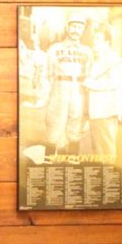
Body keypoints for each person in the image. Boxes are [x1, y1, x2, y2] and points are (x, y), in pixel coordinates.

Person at [43, 11, 93, 154]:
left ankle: (73, 159)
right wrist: (52, 89)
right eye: (73, 26)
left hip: (78, 89)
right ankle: (48, 159)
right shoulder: (55, 48)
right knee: (54, 121)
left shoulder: (87, 51)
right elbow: (48, 73)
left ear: (83, 30)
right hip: (60, 87)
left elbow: (90, 72)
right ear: (67, 27)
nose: (75, 30)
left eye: (79, 27)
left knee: (76, 121)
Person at [84, 23, 122, 159]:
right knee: (99, 154)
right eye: (94, 38)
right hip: (96, 114)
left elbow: (113, 83)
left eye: (98, 38)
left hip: (105, 114)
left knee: (106, 155)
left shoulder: (113, 60)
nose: (94, 42)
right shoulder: (98, 60)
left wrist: (90, 83)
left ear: (107, 41)